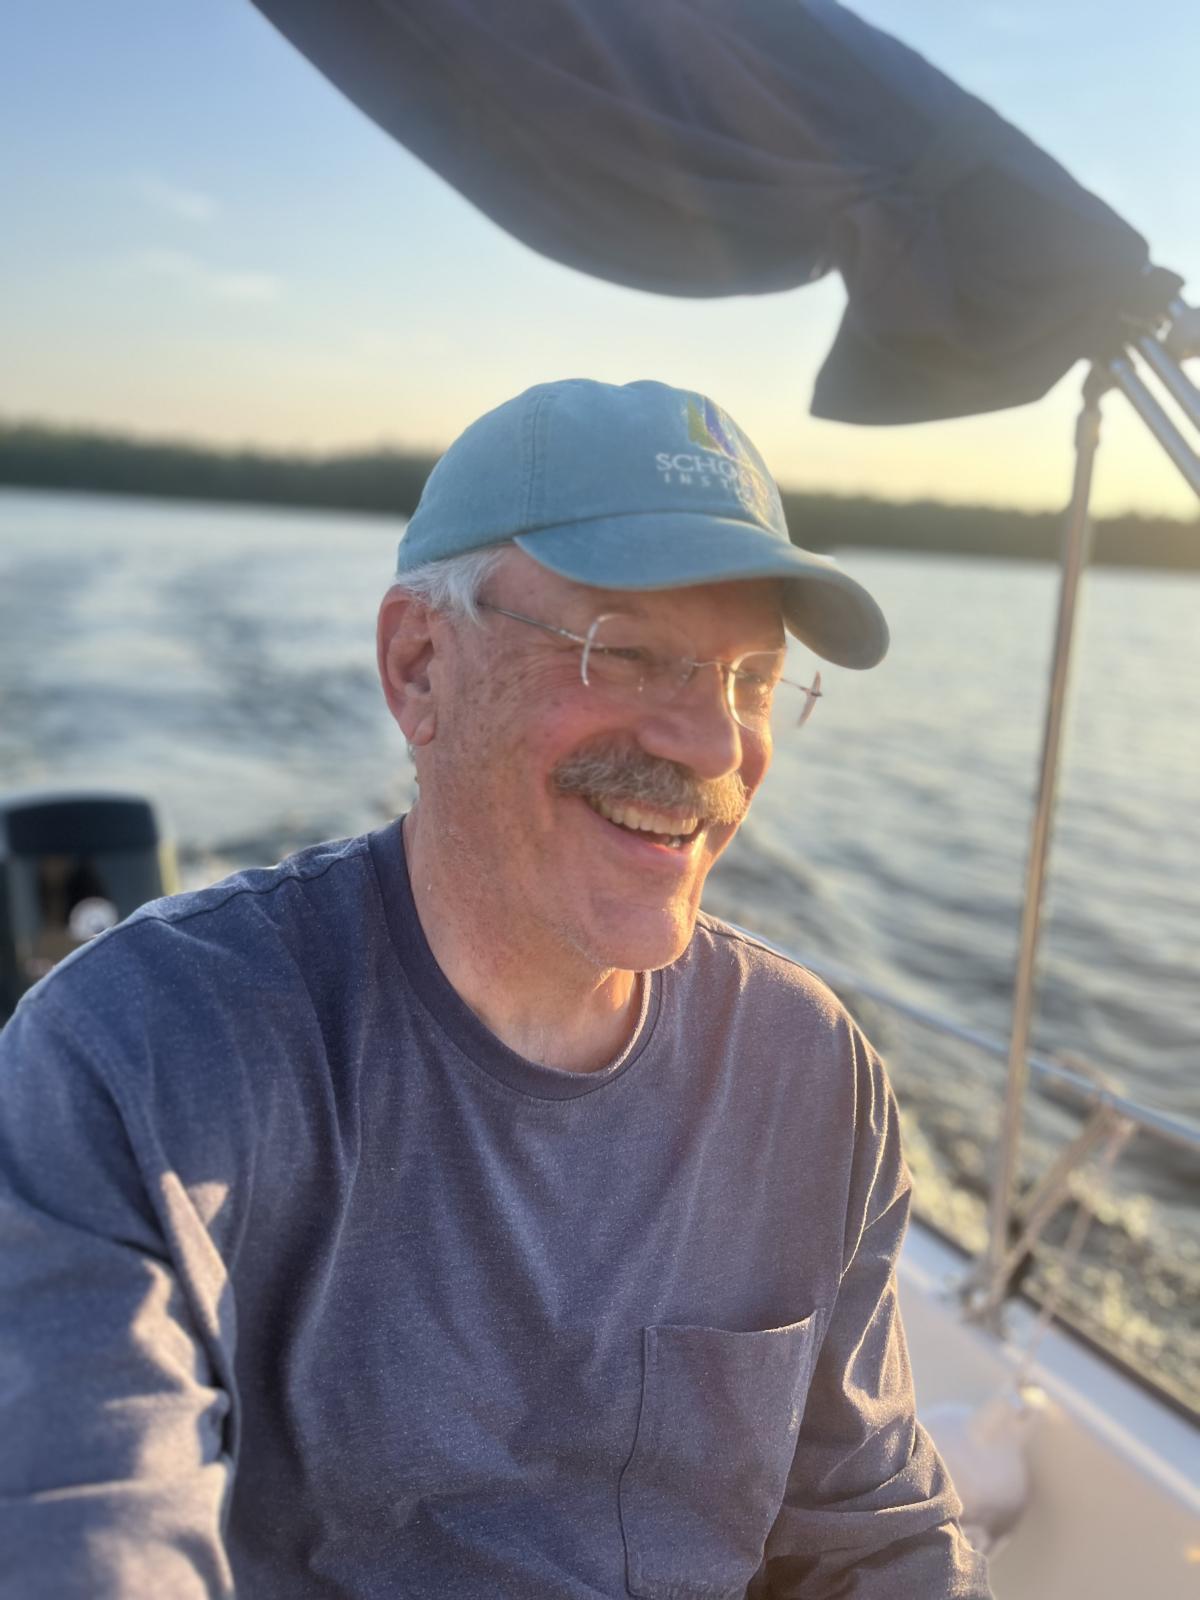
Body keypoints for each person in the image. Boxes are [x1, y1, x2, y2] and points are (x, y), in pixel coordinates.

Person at [0, 379, 992, 1599]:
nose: (716, 745)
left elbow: (872, 1527)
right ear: (419, 667)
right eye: (628, 652)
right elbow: (90, 1536)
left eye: (748, 679)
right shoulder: (142, 1060)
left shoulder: (808, 1074)